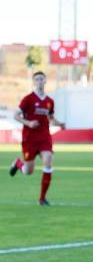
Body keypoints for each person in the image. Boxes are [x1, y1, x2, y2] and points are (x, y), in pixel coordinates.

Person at [9, 71, 65, 205]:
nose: (39, 81)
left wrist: (60, 124)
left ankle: (42, 198)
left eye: (42, 79)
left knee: (48, 160)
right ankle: (18, 164)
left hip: (44, 137)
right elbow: (16, 116)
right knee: (28, 171)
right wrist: (29, 123)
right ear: (34, 82)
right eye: (37, 79)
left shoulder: (50, 101)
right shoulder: (28, 99)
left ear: (45, 81)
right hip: (29, 139)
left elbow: (51, 118)